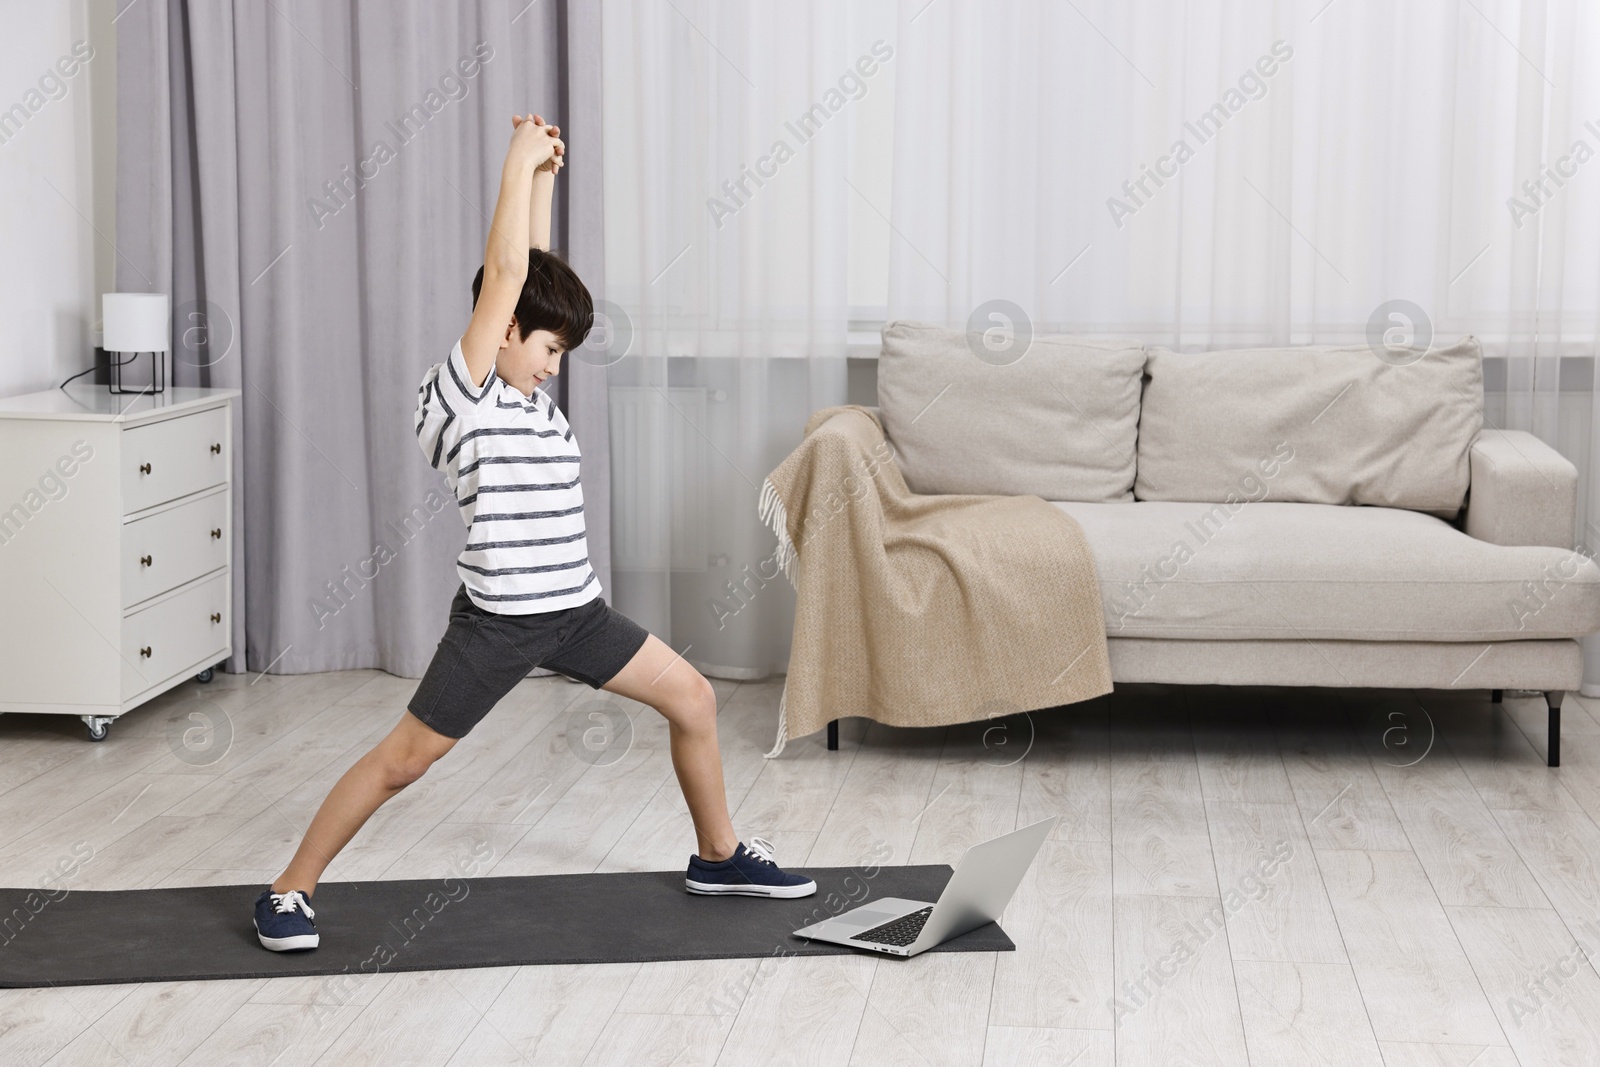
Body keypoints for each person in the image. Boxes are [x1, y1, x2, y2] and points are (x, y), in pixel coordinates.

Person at [253, 112, 814, 952]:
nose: (556, 365)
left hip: (577, 612)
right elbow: (511, 274)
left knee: (694, 698)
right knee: (405, 760)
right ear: (501, 326)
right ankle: (287, 890)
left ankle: (720, 855)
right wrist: (515, 159)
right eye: (549, 346)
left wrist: (547, 175)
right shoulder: (460, 397)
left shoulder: (526, 398)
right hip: (499, 623)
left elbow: (534, 274)